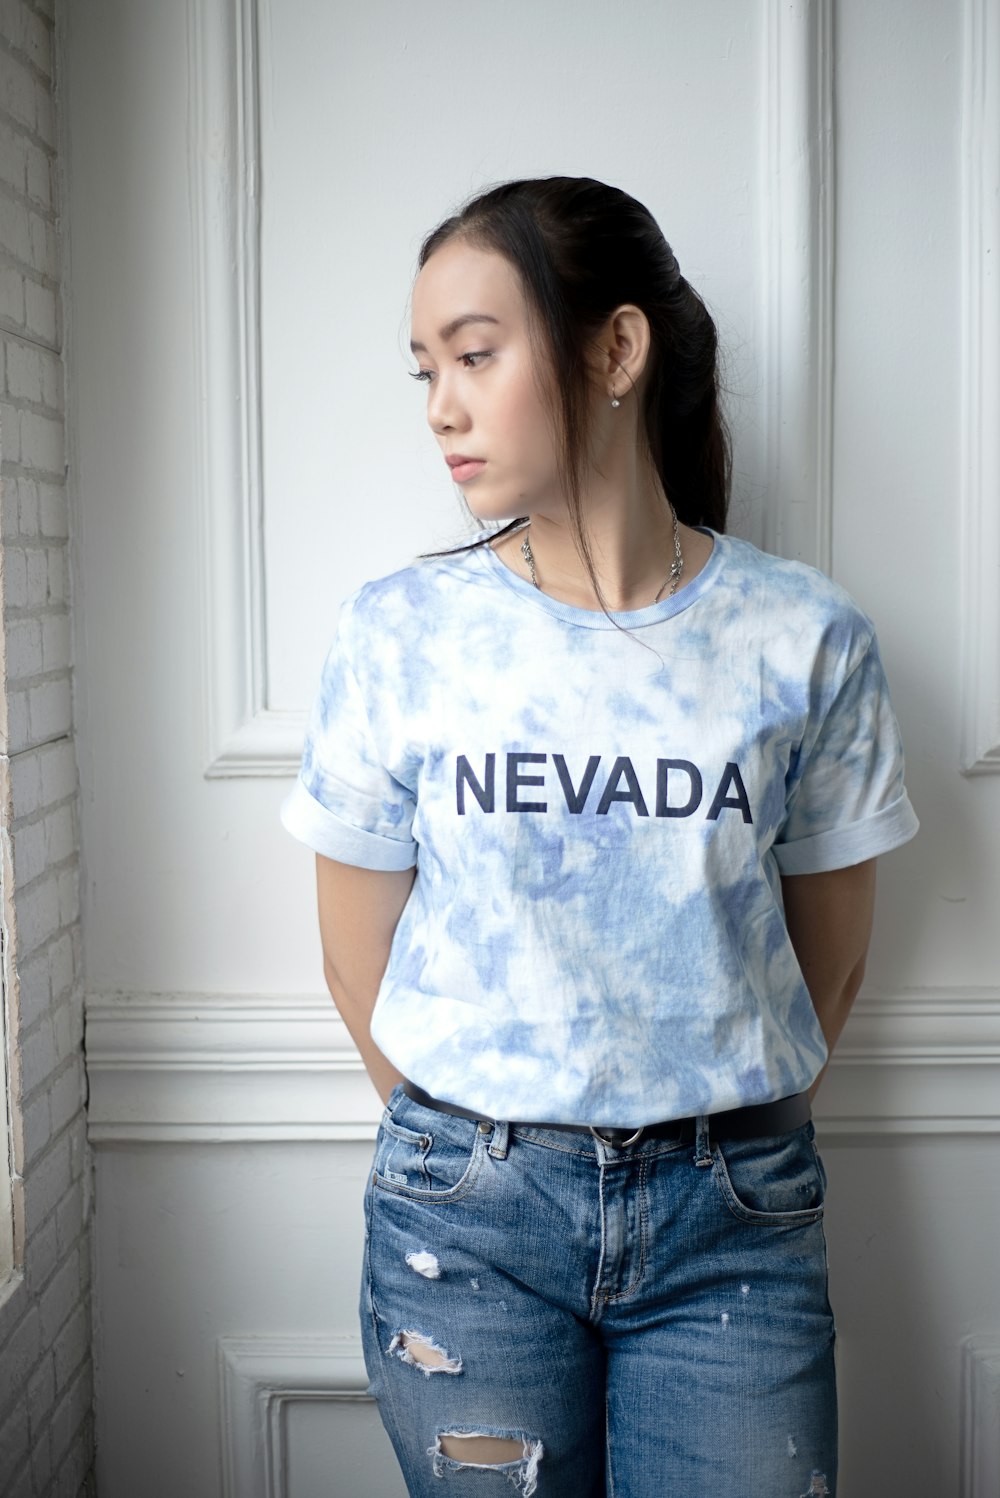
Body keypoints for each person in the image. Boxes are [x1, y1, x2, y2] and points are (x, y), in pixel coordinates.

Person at [280, 175, 918, 1498]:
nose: (443, 407)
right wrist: (476, 1155)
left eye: (475, 354)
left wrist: (712, 1139)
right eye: (426, 372)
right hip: (467, 1223)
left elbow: (830, 963)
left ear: (616, 349)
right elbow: (357, 959)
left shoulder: (805, 637)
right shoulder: (401, 634)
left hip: (732, 1224)